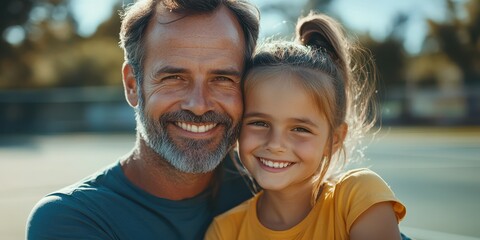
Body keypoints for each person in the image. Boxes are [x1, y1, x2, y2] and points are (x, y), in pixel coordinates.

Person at [26, 0, 259, 239]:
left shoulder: (273, 188)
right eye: (174, 77)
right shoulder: (72, 218)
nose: (199, 105)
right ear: (132, 85)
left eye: (222, 79)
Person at [205, 12, 407, 240]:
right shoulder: (225, 231)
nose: (276, 144)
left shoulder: (358, 197)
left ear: (334, 140)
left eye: (300, 129)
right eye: (259, 123)